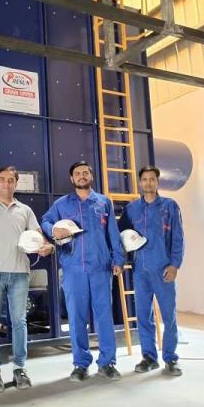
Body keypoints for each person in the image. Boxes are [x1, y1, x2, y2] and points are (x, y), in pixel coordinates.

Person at [41, 161, 125, 382]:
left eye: (85, 172)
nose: (81, 176)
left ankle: (107, 363)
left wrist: (118, 259)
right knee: (77, 318)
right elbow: (45, 221)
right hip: (73, 269)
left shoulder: (104, 202)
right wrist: (53, 229)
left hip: (101, 268)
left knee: (104, 317)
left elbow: (113, 233)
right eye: (77, 173)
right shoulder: (61, 204)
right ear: (72, 178)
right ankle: (80, 364)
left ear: (91, 176)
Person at [0, 166, 54, 393]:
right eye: (2, 179)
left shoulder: (25, 211)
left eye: (11, 180)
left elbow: (39, 238)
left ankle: (20, 368)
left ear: (16, 184)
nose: (6, 184)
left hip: (20, 274)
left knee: (19, 322)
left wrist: (46, 247)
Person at [118, 166, 185, 376]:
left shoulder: (170, 207)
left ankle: (171, 359)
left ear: (157, 182)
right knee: (143, 316)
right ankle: (149, 357)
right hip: (140, 271)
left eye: (152, 179)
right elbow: (121, 236)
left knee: (168, 316)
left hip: (164, 269)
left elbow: (178, 238)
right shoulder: (131, 209)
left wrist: (175, 264)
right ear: (140, 182)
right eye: (144, 179)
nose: (148, 183)